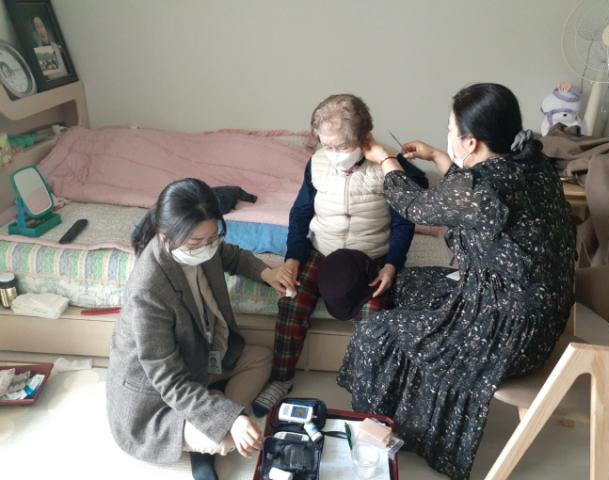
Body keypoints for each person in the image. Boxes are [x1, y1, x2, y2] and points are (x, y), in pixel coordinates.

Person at [337, 83, 576, 479]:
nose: (447, 134)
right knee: (409, 284)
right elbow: (478, 203)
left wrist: (385, 159)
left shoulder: (482, 188)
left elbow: (416, 206)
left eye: (451, 130)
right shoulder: (533, 166)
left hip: (506, 336)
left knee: (377, 331)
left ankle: (383, 431)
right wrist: (439, 157)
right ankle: (405, 400)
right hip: (540, 320)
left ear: (472, 142)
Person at [252, 94, 428, 414]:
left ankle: (369, 393)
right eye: (326, 145)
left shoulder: (387, 168)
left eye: (341, 146)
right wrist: (293, 258)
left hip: (370, 255)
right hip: (322, 250)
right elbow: (300, 212)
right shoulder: (317, 163)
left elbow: (404, 222)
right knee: (291, 301)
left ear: (364, 138)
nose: (332, 154)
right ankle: (281, 379)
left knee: (377, 315)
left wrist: (392, 265)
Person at [106, 178, 286, 480]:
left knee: (262, 358)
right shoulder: (148, 291)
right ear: (166, 236)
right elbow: (171, 381)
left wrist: (267, 272)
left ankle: (216, 414)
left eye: (213, 238)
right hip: (156, 399)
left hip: (198, 361)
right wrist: (232, 421)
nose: (207, 248)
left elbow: (230, 255)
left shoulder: (205, 245)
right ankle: (209, 429)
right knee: (230, 441)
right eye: (195, 243)